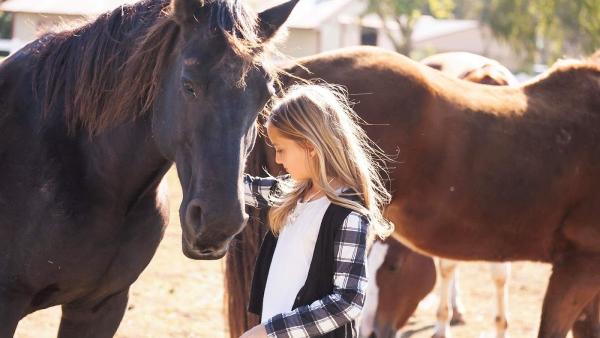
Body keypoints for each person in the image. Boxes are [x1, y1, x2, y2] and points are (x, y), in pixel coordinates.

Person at [240, 84, 393, 338]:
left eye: (281, 150)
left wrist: (271, 331)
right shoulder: (295, 193)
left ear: (310, 145)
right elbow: (240, 188)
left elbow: (348, 301)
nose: (277, 160)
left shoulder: (348, 214)